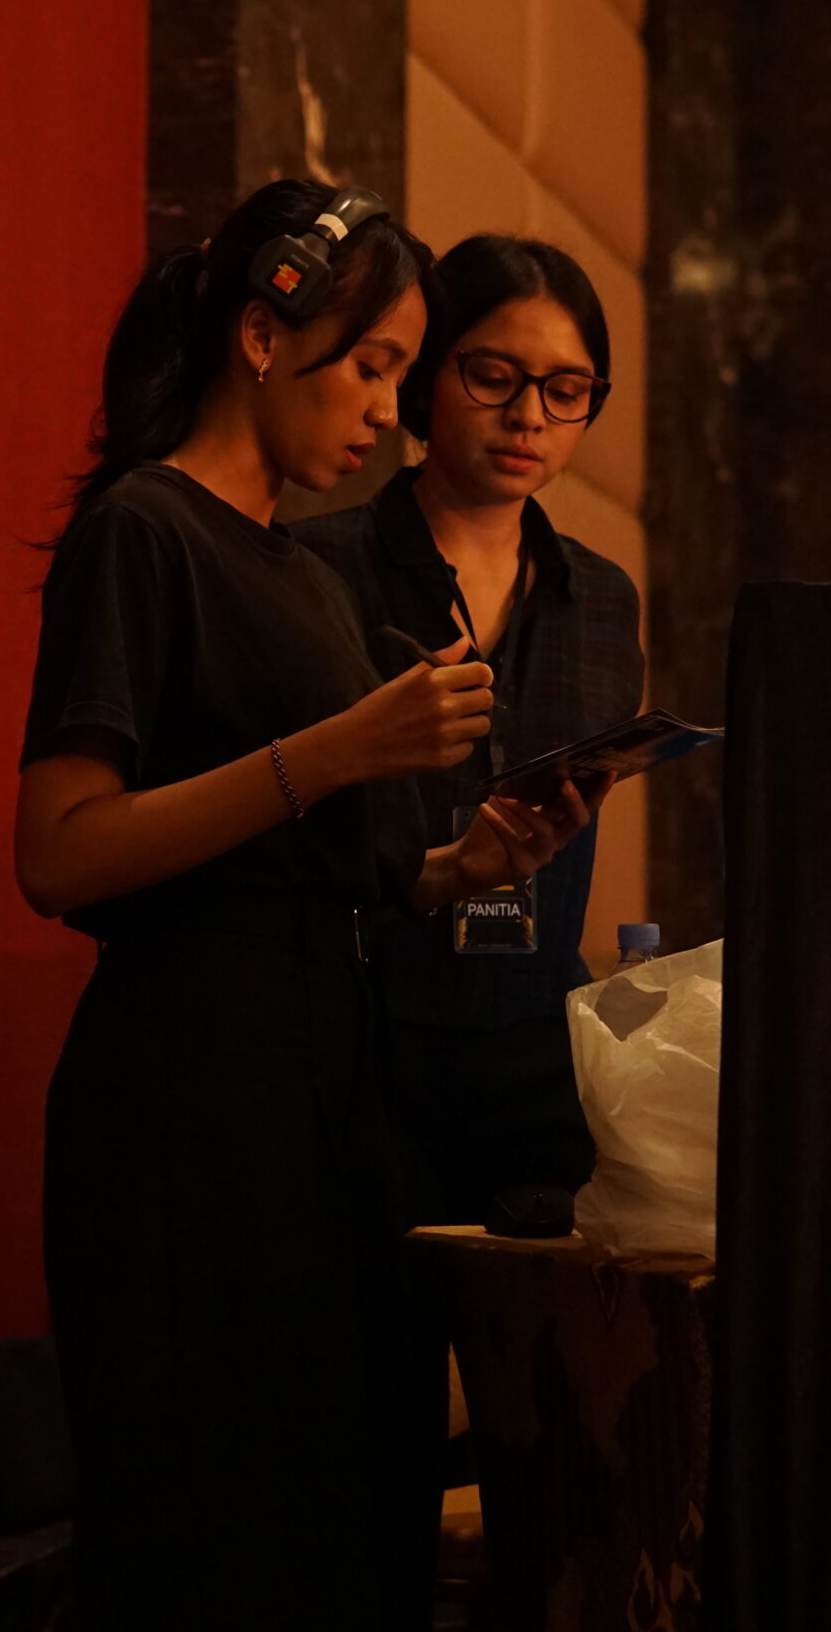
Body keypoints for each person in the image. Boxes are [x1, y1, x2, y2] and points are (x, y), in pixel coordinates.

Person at [12, 183, 600, 1631]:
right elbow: (62, 851)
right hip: (187, 1097)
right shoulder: (146, 530)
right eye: (374, 365)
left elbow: (328, 865)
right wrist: (341, 747)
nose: (387, 411)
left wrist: (467, 863)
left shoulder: (299, 568)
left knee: (347, 1520)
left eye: (403, 370)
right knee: (211, 1529)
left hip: (332, 1087)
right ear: (263, 338)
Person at [294, 234, 645, 1236]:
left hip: (534, 1044)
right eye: (494, 376)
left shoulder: (601, 601)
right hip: (363, 1041)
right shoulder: (319, 570)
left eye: (567, 389)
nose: (529, 415)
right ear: (423, 374)